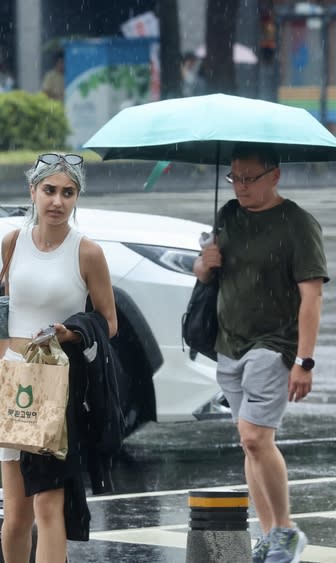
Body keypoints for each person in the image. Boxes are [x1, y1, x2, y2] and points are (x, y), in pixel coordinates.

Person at [0, 153, 117, 563]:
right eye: (49, 190)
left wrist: (71, 332)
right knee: (16, 512)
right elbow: (5, 317)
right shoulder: (12, 243)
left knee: (48, 506)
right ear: (32, 192)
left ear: (77, 198)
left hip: (55, 383)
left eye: (67, 192)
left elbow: (109, 323)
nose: (57, 201)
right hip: (13, 380)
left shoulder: (87, 252)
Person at [193, 143, 327, 563]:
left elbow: (312, 296)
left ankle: (286, 529)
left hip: (274, 343)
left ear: (275, 175)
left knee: (255, 436)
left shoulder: (298, 224)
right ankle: (270, 533)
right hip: (229, 343)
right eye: (234, 177)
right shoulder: (229, 214)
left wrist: (304, 361)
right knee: (250, 443)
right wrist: (204, 263)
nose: (241, 186)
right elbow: (205, 275)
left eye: (250, 177)